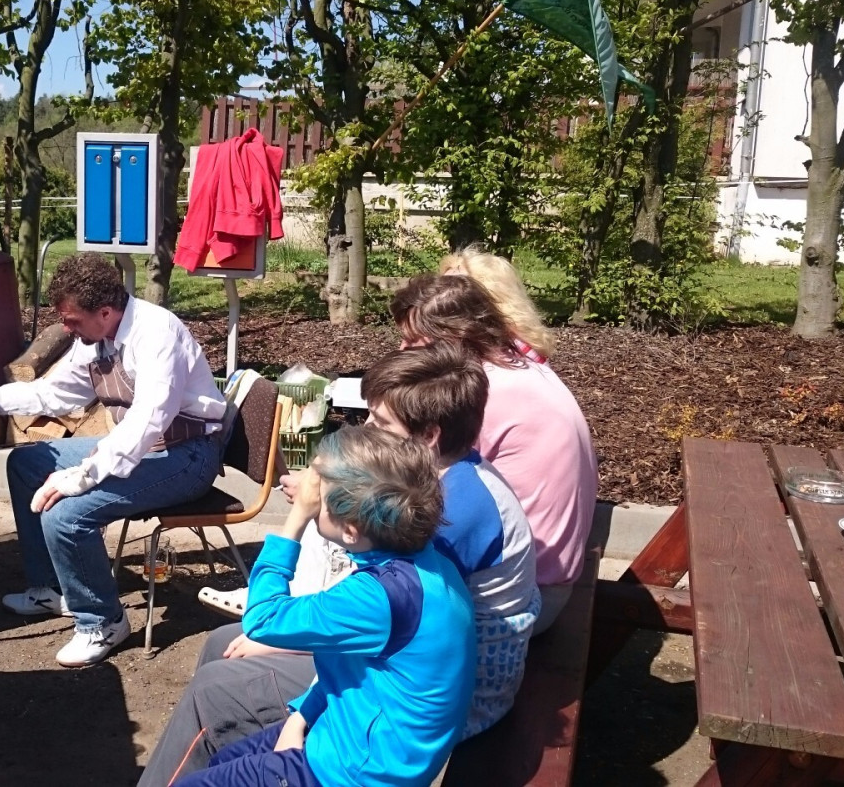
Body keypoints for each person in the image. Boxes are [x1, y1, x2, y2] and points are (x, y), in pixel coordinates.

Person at [137, 344, 537, 787]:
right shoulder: (415, 507)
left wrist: (298, 517)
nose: (367, 430)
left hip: (383, 744)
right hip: (382, 697)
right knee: (223, 650)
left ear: (428, 437)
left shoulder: (450, 519)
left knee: (214, 691)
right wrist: (301, 714)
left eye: (380, 422)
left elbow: (291, 619)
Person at [174, 426, 474, 787]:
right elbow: (351, 671)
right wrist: (300, 717)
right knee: (224, 759)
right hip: (360, 736)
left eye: (319, 493)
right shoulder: (426, 565)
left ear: (350, 531)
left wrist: (297, 519)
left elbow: (262, 619)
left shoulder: (378, 597)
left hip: (353, 773)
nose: (308, 493)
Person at [0, 253, 228, 667]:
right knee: (26, 464)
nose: (65, 328)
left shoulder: (156, 334)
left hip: (188, 456)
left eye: (71, 320)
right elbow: (54, 394)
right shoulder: (95, 337)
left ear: (105, 312)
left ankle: (102, 621)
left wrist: (84, 475)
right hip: (147, 446)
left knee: (66, 513)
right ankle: (53, 588)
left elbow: (149, 419)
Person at [390, 272, 598, 631]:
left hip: (521, 599)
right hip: (542, 573)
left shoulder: (483, 397)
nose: (402, 351)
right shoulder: (516, 366)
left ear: (452, 338)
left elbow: (413, 482)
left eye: (413, 341)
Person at [438, 243, 555, 361]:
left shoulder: (505, 354)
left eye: (455, 290)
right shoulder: (514, 340)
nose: (440, 298)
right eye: (441, 288)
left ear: (491, 298)